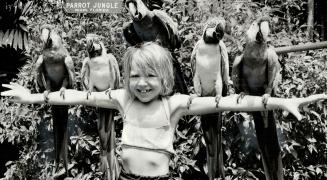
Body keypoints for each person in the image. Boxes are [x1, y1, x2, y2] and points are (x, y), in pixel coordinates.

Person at [1, 42, 326, 180]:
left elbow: (228, 102)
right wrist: (31, 97)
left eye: (151, 76)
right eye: (135, 76)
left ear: (166, 79)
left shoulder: (174, 104)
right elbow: (71, 96)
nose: (142, 83)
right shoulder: (120, 98)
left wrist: (278, 102)